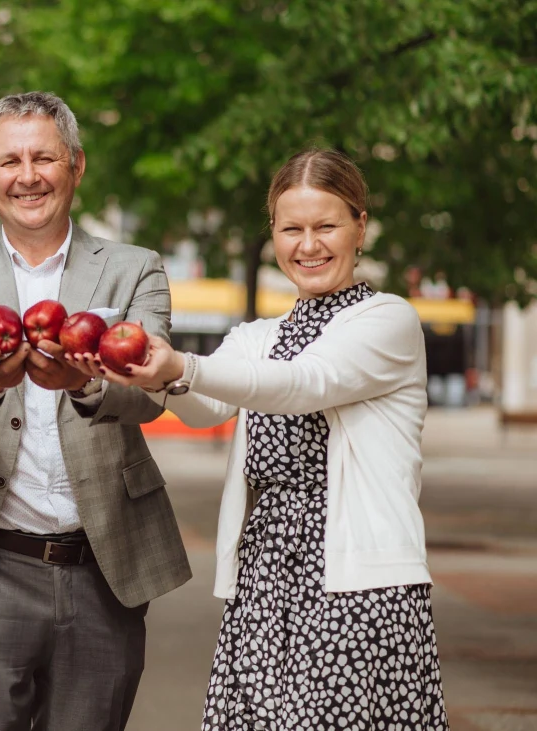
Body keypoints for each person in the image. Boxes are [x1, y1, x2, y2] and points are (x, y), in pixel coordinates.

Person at [74, 149, 449, 730]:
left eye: (326, 226)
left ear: (360, 227)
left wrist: (183, 366)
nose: (309, 245)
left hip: (358, 582)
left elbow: (303, 384)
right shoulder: (259, 336)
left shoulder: (387, 320)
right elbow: (205, 408)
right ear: (272, 232)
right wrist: (155, 374)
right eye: (291, 229)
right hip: (265, 578)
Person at [0, 91, 190, 730]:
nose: (27, 176)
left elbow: (149, 392)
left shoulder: (137, 269)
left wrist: (86, 385)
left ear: (76, 165)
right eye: (9, 161)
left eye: (44, 158)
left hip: (105, 563)